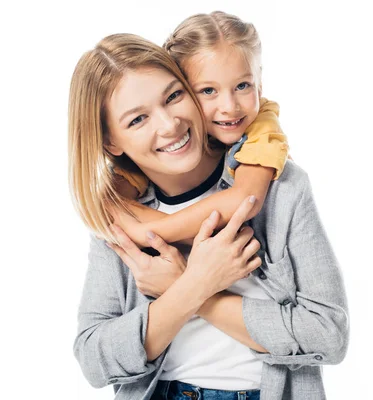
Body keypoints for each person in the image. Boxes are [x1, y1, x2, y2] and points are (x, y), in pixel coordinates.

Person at [69, 29, 347, 400]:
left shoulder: (280, 188)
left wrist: (195, 291)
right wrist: (193, 286)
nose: (169, 125)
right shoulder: (123, 217)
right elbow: (93, 358)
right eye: (137, 120)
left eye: (173, 96)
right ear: (110, 141)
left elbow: (328, 334)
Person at [103, 11, 289, 248]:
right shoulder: (153, 158)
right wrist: (116, 208)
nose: (230, 108)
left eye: (242, 85)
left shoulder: (262, 124)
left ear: (259, 85)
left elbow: (246, 199)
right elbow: (114, 195)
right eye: (208, 91)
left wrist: (149, 232)